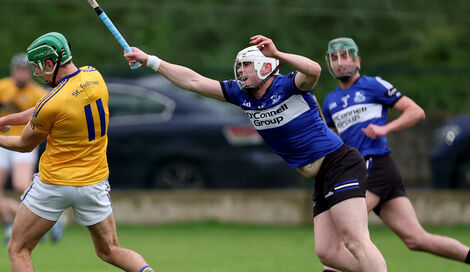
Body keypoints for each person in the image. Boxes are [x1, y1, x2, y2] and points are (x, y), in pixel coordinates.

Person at [124, 35, 386, 272]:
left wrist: (278, 54)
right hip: (320, 176)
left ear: (265, 66)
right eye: (238, 66)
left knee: (355, 240)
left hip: (339, 163)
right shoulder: (241, 95)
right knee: (328, 253)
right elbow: (193, 81)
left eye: (246, 65)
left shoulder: (289, 85)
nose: (240, 71)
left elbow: (314, 70)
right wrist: (151, 60)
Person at [0, 32, 155, 272]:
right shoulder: (94, 76)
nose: (37, 73)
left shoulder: (53, 102)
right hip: (94, 184)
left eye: (39, 67)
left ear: (50, 63)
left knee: (19, 249)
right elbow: (43, 108)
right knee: (110, 250)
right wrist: (1, 121)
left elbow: (25, 144)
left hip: (54, 185)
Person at [321, 37, 470, 271]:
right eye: (335, 57)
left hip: (375, 166)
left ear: (357, 60)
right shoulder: (330, 101)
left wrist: (385, 128)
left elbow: (415, 111)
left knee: (342, 236)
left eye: (345, 56)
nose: (340, 62)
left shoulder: (374, 85)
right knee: (417, 239)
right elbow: (332, 139)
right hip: (363, 170)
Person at [0, 53, 64, 244]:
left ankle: (49, 221)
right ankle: (8, 226)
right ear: (13, 71)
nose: (21, 74)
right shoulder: (2, 86)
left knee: (22, 186)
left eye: (25, 70)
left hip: (24, 142)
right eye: (18, 70)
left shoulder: (37, 93)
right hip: (1, 143)